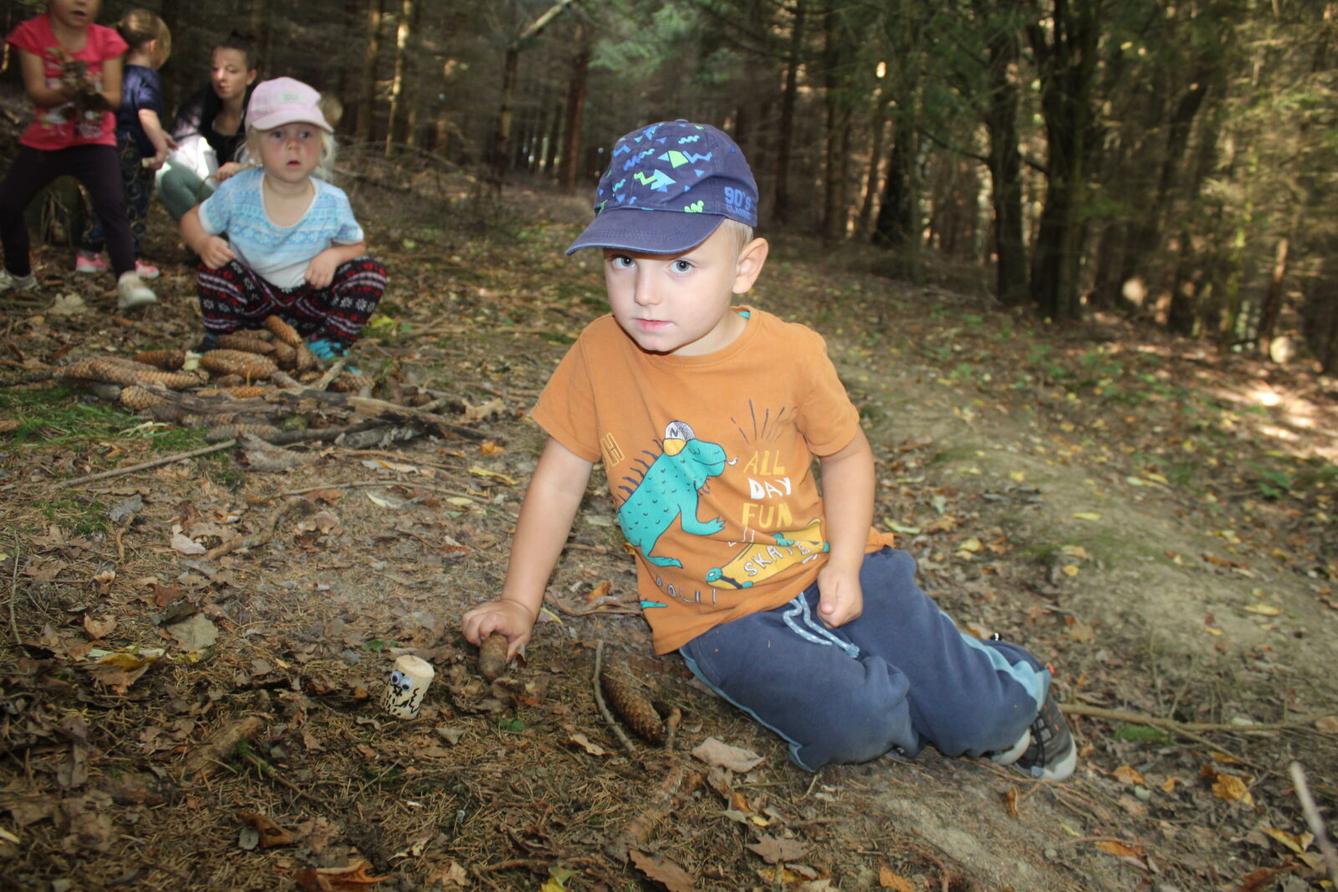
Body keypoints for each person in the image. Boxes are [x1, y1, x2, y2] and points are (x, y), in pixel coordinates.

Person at [461, 120, 1077, 780]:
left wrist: (845, 562)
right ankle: (909, 708)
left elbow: (846, 455)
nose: (645, 293)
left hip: (823, 558)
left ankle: (1001, 682)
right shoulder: (598, 353)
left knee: (980, 716)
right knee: (858, 721)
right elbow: (558, 482)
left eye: (681, 265)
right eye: (623, 261)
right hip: (718, 613)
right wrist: (519, 602)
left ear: (745, 268)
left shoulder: (790, 355)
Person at [179, 77, 387, 360]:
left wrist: (333, 256)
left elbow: (357, 246)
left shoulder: (332, 200)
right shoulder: (239, 191)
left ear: (322, 145)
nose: (293, 145)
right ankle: (226, 340)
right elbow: (191, 219)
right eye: (278, 134)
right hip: (252, 303)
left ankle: (326, 345)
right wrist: (203, 243)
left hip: (309, 302)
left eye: (305, 134)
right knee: (215, 268)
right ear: (255, 146)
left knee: (369, 273)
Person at [0, 0, 157, 309]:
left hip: (95, 141)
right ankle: (19, 273)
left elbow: (113, 97)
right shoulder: (32, 34)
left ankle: (128, 279)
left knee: (112, 204)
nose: (81, 2)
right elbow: (37, 91)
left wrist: (91, 94)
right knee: (7, 204)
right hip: (46, 141)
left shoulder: (106, 40)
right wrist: (69, 90)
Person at [75, 8, 172, 280]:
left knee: (105, 199)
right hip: (133, 150)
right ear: (153, 46)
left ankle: (88, 253)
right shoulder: (148, 77)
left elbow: (127, 112)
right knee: (134, 203)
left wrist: (161, 134)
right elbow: (145, 114)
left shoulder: (117, 73)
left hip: (107, 143)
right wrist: (160, 147)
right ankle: (129, 258)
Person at [155, 31, 258, 222]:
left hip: (251, 209)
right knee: (166, 174)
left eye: (231, 71)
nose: (220, 77)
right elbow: (177, 151)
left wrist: (243, 168)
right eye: (215, 69)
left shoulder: (264, 114)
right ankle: (204, 236)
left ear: (250, 76)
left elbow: (278, 170)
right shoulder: (200, 107)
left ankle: (232, 239)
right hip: (213, 198)